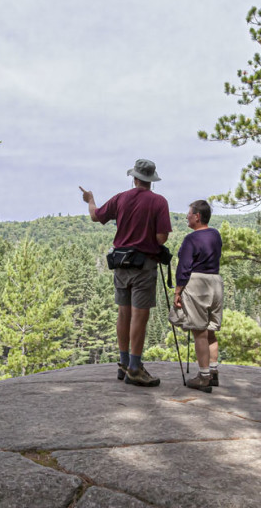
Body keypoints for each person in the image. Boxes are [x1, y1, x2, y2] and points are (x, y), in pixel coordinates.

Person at [79, 159, 172, 387]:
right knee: (140, 316)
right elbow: (162, 238)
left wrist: (90, 200)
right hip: (144, 265)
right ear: (151, 180)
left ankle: (123, 363)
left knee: (123, 313)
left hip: (121, 263)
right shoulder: (159, 202)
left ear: (134, 177)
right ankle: (134, 368)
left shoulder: (121, 198)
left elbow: (96, 216)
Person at [172, 200, 223, 393]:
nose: (186, 216)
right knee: (210, 330)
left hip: (198, 284)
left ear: (197, 216)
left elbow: (184, 268)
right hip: (216, 282)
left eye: (189, 213)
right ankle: (213, 371)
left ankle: (203, 377)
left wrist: (178, 291)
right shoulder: (215, 235)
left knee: (199, 331)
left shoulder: (191, 239)